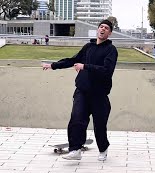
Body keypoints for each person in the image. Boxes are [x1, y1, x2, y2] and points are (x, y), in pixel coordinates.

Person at [42, 19, 118, 161]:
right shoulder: (88, 47)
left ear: (110, 33)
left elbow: (107, 71)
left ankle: (103, 148)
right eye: (100, 26)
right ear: (97, 29)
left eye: (106, 28)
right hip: (82, 91)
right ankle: (75, 150)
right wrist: (53, 65)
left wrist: (85, 66)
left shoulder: (111, 50)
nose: (102, 29)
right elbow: (73, 60)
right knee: (76, 120)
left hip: (99, 94)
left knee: (99, 125)